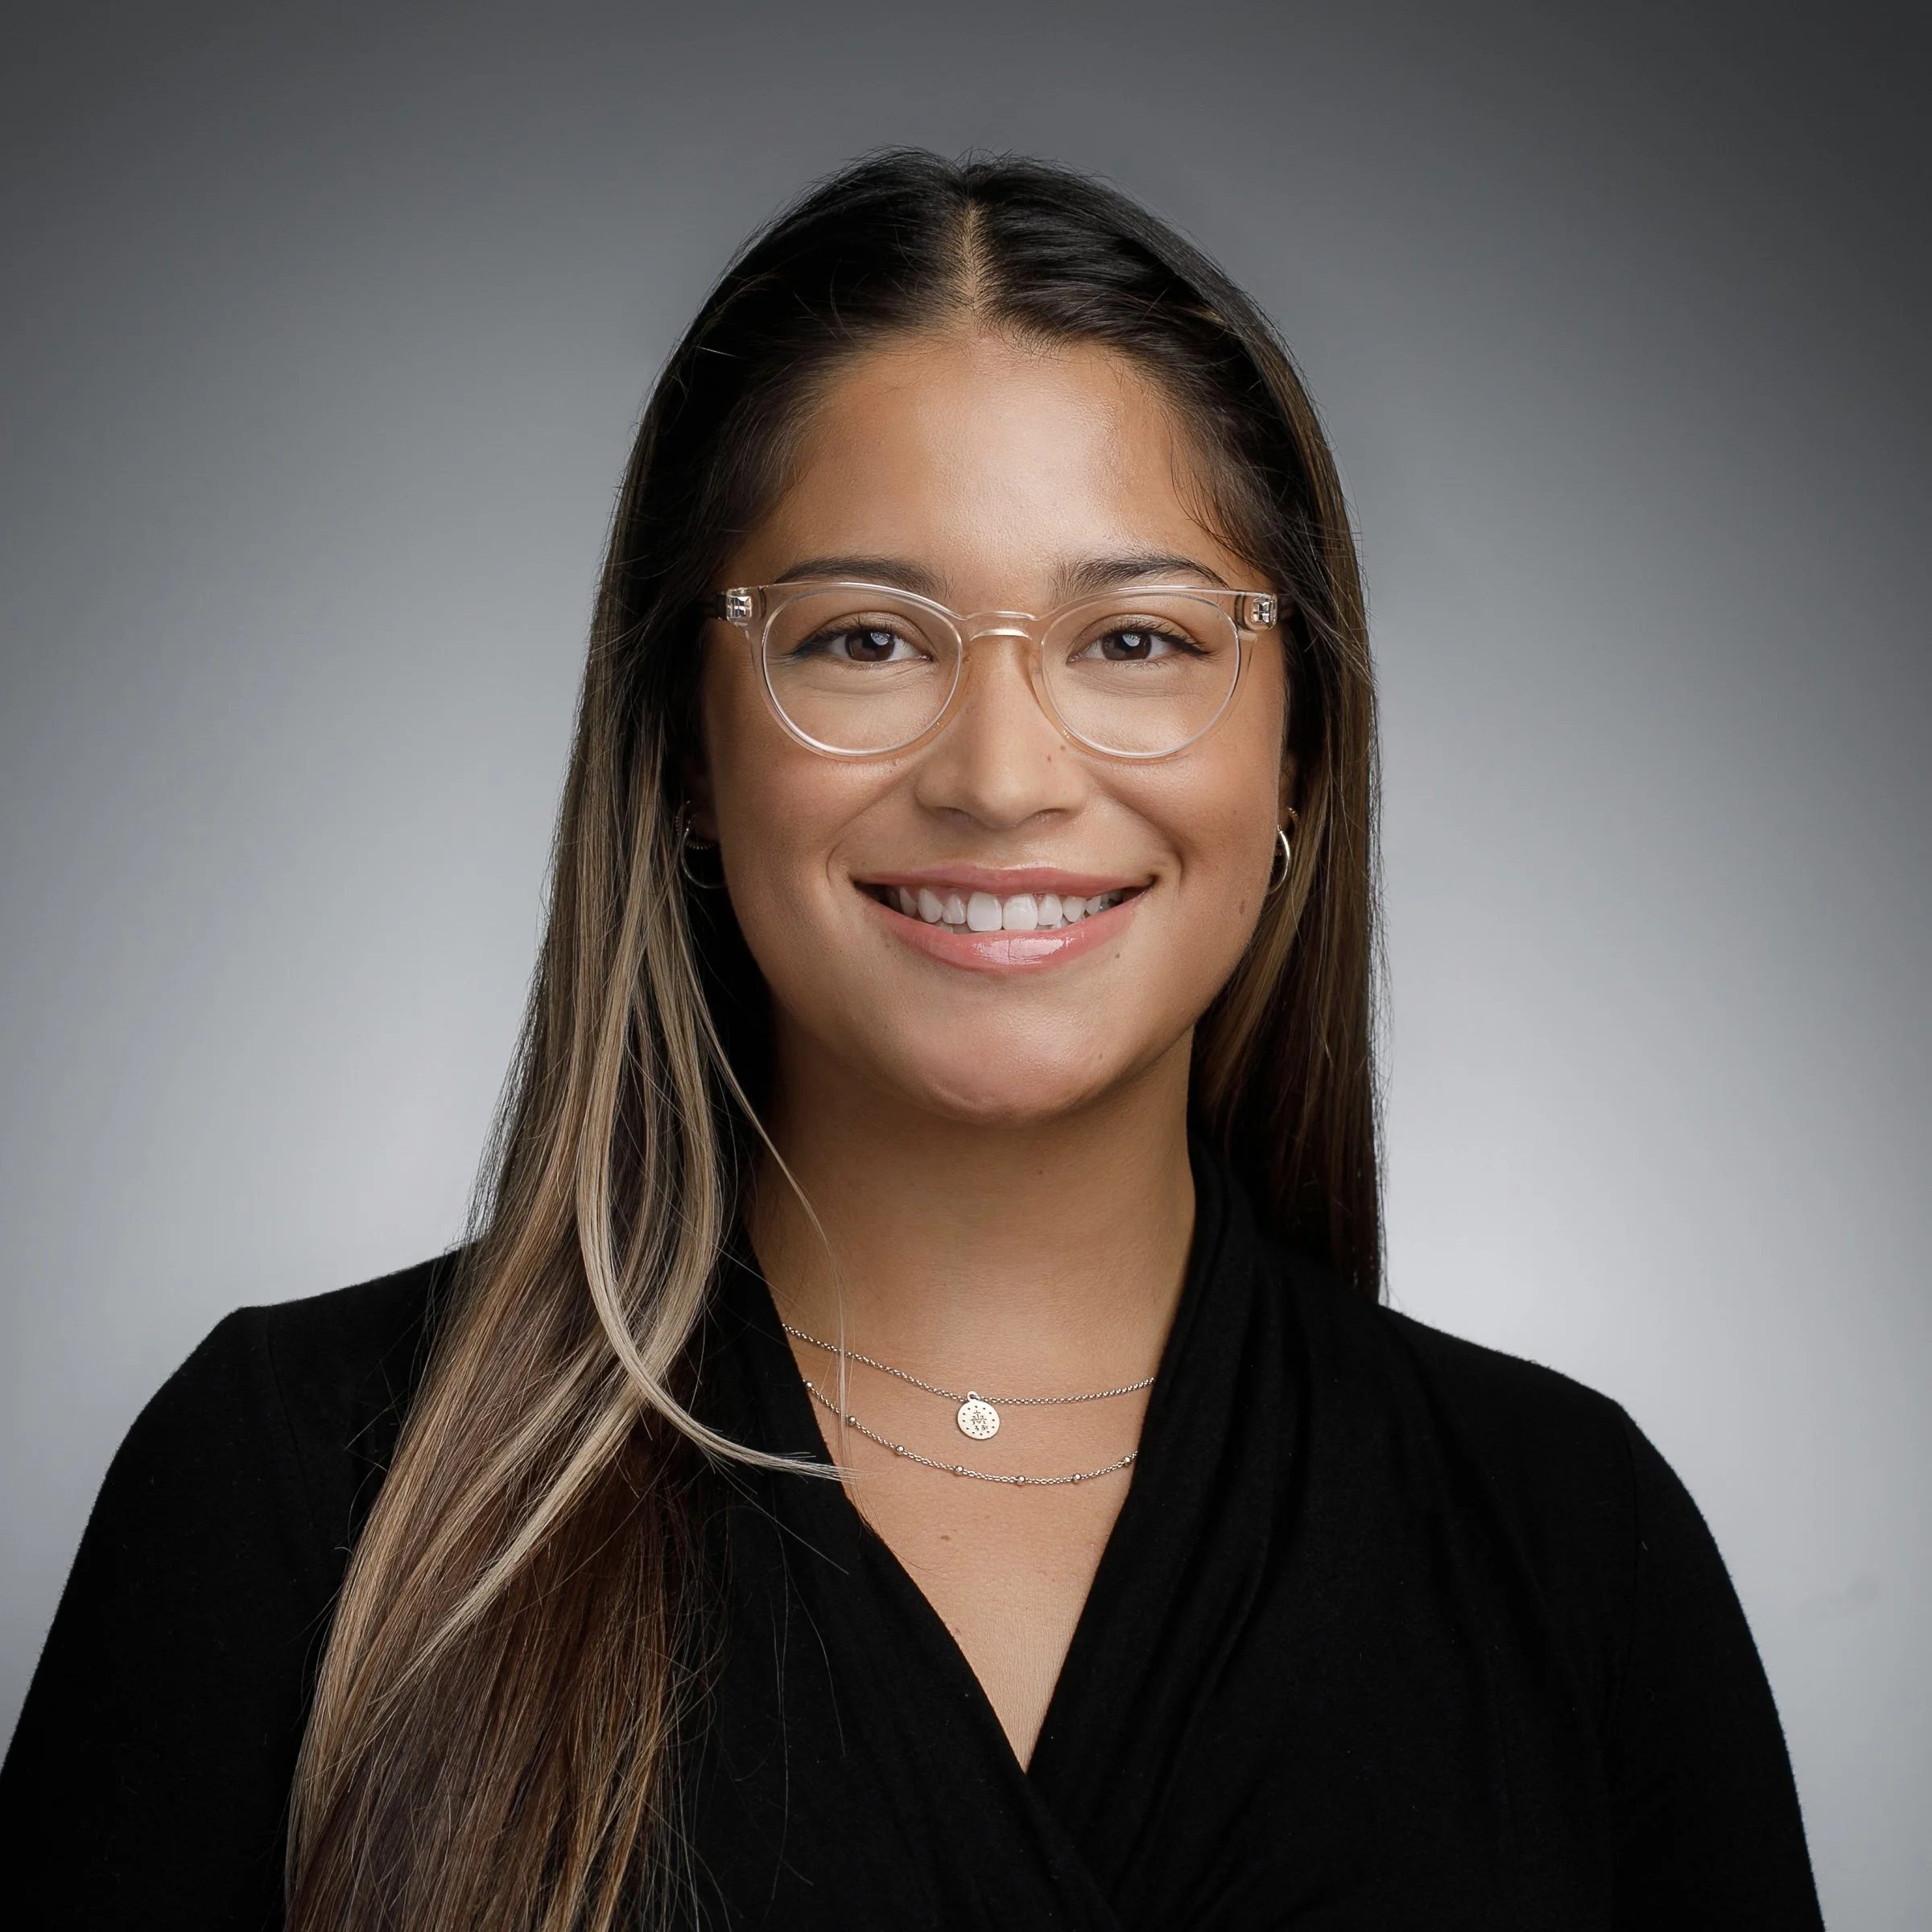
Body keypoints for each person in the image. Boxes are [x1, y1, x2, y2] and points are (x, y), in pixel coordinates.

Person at [0, 150, 1823, 1931]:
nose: (1004, 776)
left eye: (1137, 639)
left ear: (1300, 765)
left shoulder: (1572, 1542)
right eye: (867, 637)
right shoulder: (298, 1489)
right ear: (687, 759)